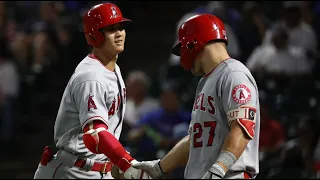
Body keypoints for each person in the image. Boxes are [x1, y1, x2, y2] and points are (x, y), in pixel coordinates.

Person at [131, 14, 261, 179]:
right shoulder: (207, 81)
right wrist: (159, 167)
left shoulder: (233, 73)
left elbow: (242, 127)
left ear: (194, 42)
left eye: (183, 47)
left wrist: (218, 169)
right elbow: (196, 140)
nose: (182, 55)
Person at [33, 3, 149, 179]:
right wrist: (127, 162)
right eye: (111, 29)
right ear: (94, 36)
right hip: (72, 171)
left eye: (120, 27)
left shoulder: (111, 68)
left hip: (95, 169)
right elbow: (95, 135)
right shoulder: (91, 77)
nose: (119, 33)